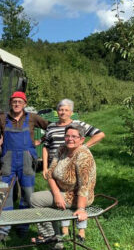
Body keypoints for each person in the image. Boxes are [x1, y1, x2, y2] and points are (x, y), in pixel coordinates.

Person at [42, 98, 104, 240]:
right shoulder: (51, 126)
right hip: (57, 164)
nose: (63, 112)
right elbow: (45, 146)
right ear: (57, 112)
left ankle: (80, 231)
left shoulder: (77, 125)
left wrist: (83, 147)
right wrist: (45, 167)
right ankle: (64, 230)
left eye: (66, 110)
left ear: (71, 112)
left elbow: (100, 134)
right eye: (60, 109)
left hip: (75, 163)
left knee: (79, 191)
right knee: (61, 195)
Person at [0, 91, 48, 240]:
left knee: (27, 194)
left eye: (20, 101)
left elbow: (50, 127)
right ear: (10, 103)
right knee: (5, 194)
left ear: (25, 103)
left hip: (26, 160)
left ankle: (23, 225)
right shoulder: (3, 118)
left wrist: (40, 141)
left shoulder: (32, 118)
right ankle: (4, 228)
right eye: (14, 101)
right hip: (8, 159)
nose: (17, 104)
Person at [31, 123, 96, 250]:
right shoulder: (62, 149)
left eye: (74, 136)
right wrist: (56, 194)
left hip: (77, 197)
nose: (70, 139)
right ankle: (53, 237)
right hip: (61, 192)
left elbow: (85, 186)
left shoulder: (83, 156)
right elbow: (50, 173)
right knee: (36, 198)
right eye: (67, 136)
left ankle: (51, 236)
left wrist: (81, 209)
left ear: (82, 139)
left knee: (35, 199)